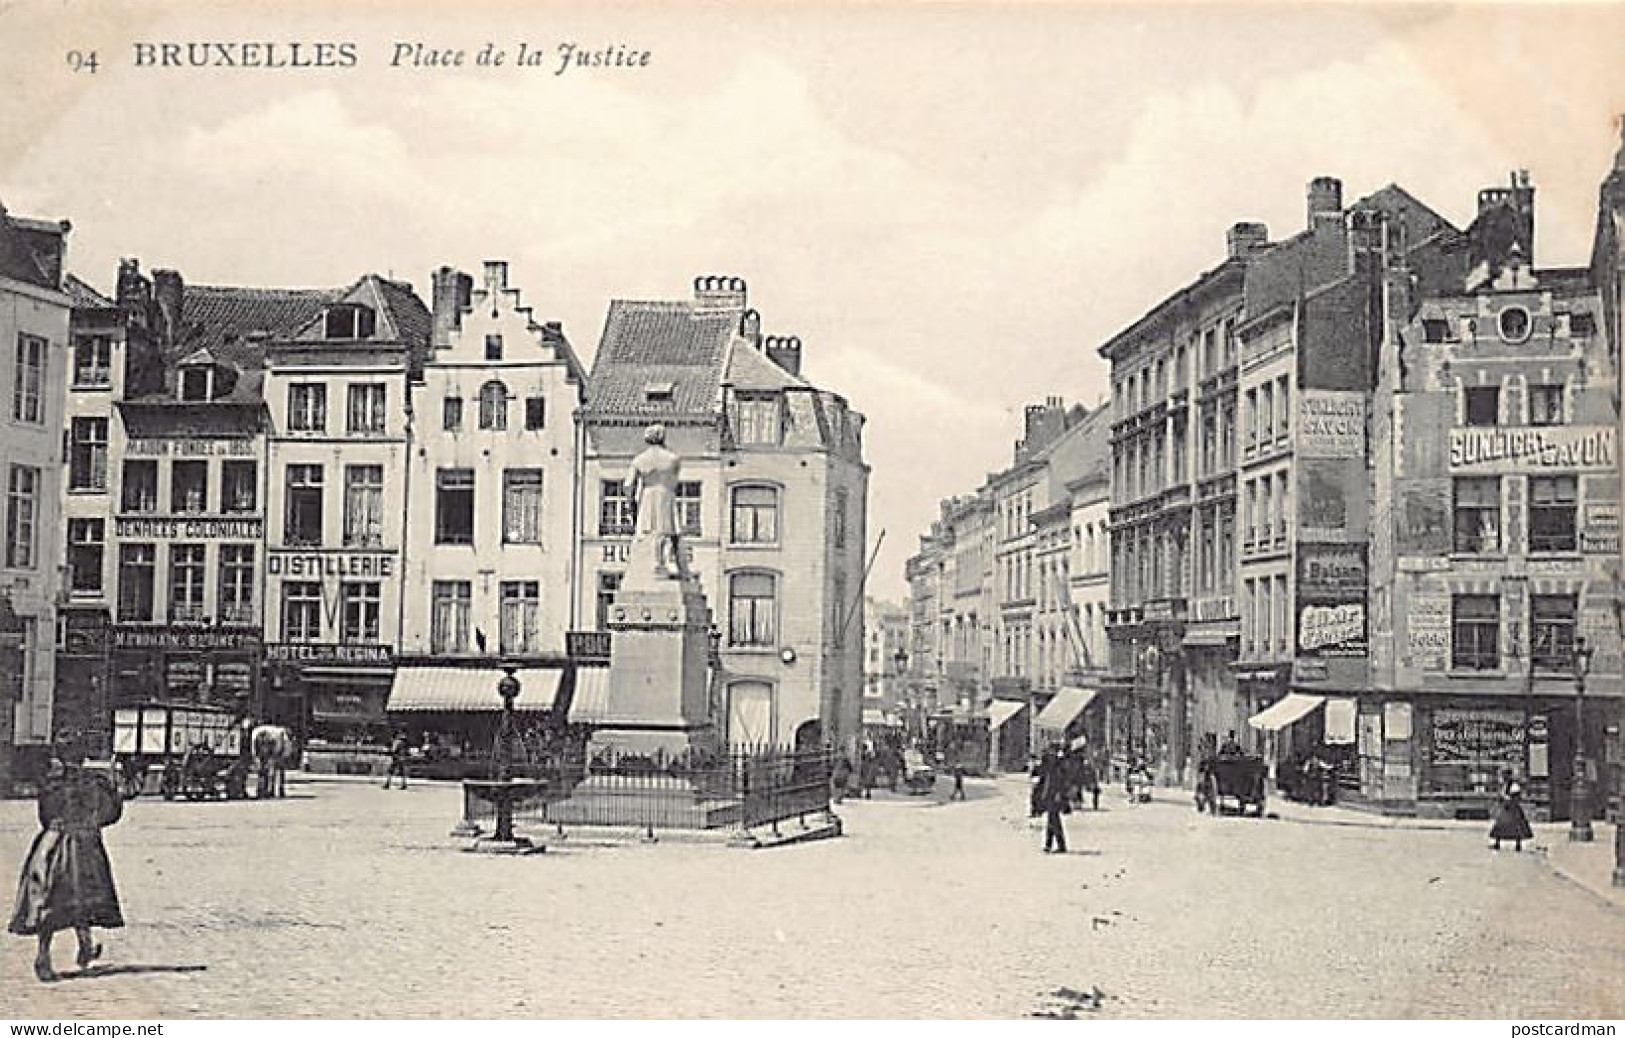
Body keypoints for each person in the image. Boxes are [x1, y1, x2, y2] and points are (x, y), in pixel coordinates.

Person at [9, 737, 125, 982]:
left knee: (50, 901)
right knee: (83, 897)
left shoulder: (52, 786)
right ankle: (84, 948)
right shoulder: (95, 784)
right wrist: (116, 792)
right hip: (84, 844)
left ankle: (46, 955)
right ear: (83, 758)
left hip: (52, 845)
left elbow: (45, 816)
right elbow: (109, 815)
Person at [1489, 771, 1534, 852]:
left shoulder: (1514, 786)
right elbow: (1500, 796)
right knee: (1500, 826)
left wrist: (1508, 798)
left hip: (1513, 808)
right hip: (1506, 807)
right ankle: (1497, 843)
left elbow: (1516, 798)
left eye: (1505, 776)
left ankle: (1518, 844)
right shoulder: (1505, 785)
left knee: (1516, 827)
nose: (1504, 778)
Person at [1039, 748, 1071, 853]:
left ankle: (1059, 845)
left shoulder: (1056, 770)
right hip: (1052, 797)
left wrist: (1058, 795)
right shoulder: (1053, 770)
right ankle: (1049, 845)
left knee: (1054, 822)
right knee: (1052, 821)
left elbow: (1058, 784)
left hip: (1054, 798)